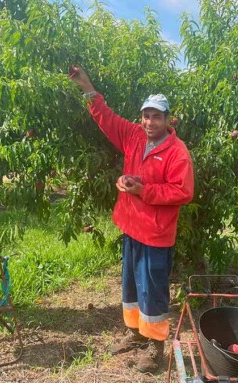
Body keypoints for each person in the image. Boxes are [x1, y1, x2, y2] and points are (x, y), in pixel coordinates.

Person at [69, 65, 194, 373]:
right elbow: (106, 118)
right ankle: (135, 333)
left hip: (156, 232)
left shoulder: (177, 152)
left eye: (156, 116)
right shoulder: (134, 136)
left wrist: (143, 190)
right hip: (132, 226)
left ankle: (155, 347)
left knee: (153, 289)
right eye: (146, 116)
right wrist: (87, 86)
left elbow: (183, 191)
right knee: (131, 287)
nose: (149, 122)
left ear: (167, 120)